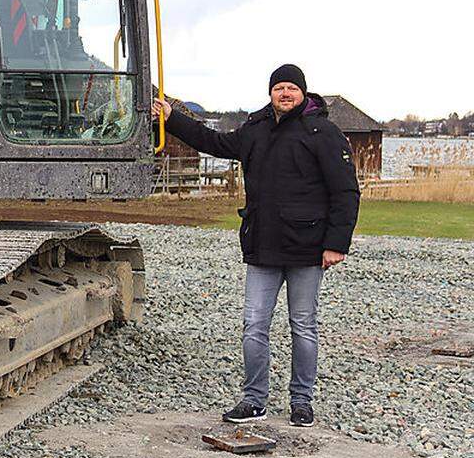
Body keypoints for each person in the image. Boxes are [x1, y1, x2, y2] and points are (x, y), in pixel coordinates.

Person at [152, 64, 359, 428]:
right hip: (262, 246)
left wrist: (336, 243)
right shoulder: (256, 129)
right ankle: (254, 400)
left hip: (307, 250)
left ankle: (301, 401)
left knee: (304, 326)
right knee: (253, 326)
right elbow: (213, 143)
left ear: (302, 93)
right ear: (270, 93)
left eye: (291, 88)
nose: (285, 94)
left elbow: (345, 192)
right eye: (279, 87)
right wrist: (173, 119)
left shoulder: (323, 132)